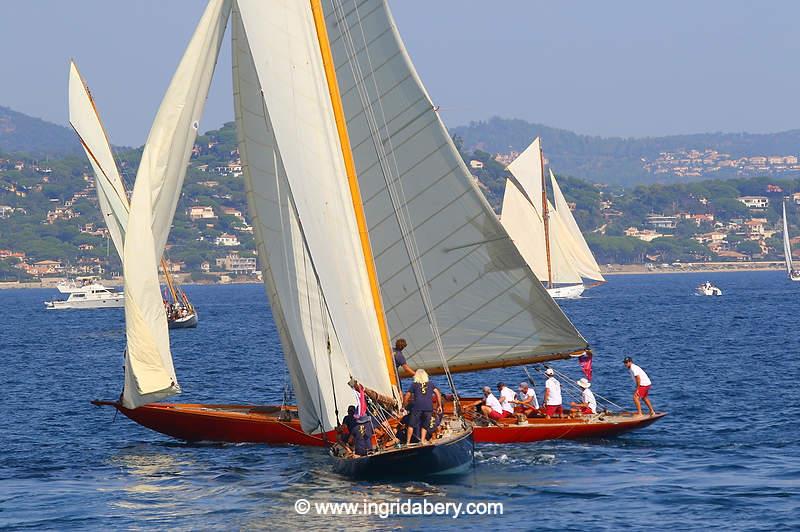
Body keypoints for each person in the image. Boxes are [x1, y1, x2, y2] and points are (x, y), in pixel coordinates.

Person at [403, 369, 434, 444]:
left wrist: (404, 405)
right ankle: (422, 440)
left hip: (417, 407)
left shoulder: (414, 384)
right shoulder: (430, 384)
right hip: (428, 407)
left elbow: (407, 395)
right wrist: (439, 405)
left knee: (411, 425)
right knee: (425, 425)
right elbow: (437, 392)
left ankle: (408, 442)